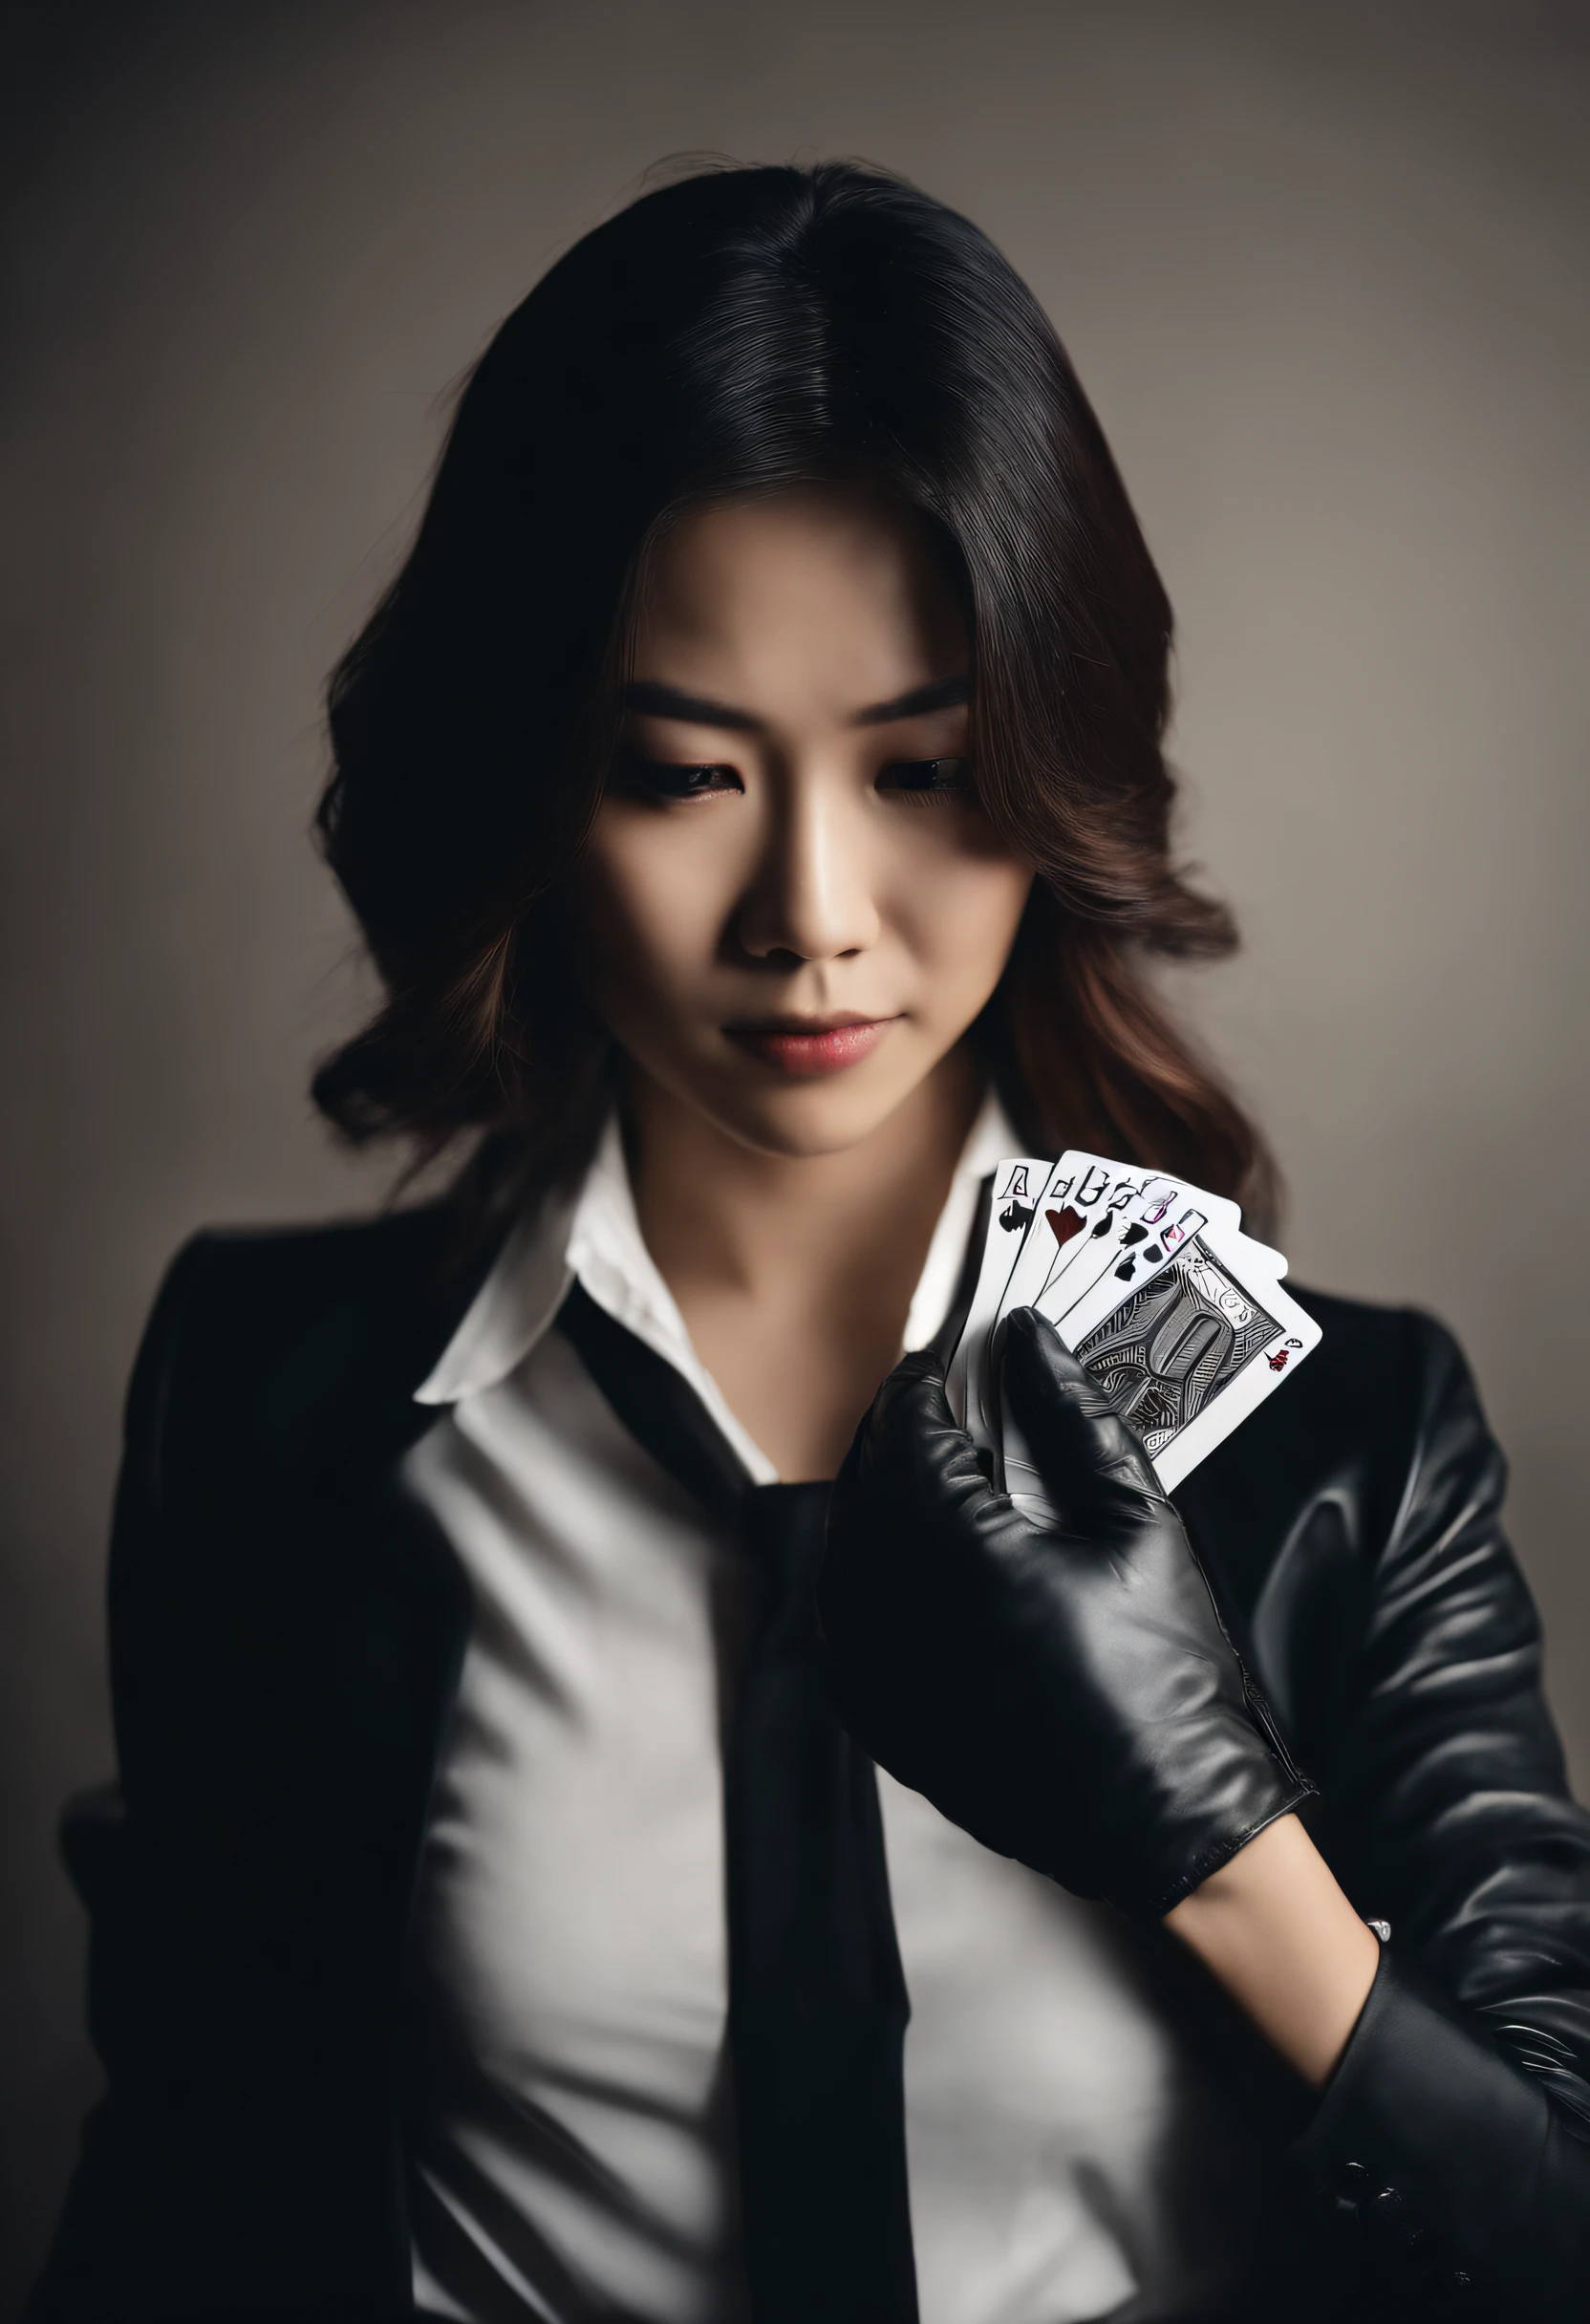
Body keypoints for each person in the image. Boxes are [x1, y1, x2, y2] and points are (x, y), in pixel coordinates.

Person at [30, 162, 1590, 2324]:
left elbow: (1553, 2236)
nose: (814, 914)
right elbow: (186, 2182)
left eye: (928, 771)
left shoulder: (1347, 1439)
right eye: (684, 775)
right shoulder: (270, 1404)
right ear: (533, 786)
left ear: (1053, 776)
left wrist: (1211, 1835)